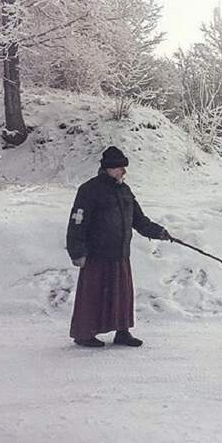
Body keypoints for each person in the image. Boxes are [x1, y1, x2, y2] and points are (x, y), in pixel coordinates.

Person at [66, 146, 172, 348]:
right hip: (97, 254)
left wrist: (159, 232)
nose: (123, 171)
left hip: (120, 253)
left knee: (122, 295)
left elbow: (139, 220)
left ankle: (122, 332)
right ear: (108, 169)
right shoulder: (89, 190)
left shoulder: (125, 191)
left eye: (124, 168)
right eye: (119, 168)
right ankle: (84, 334)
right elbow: (77, 222)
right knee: (93, 296)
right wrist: (77, 251)